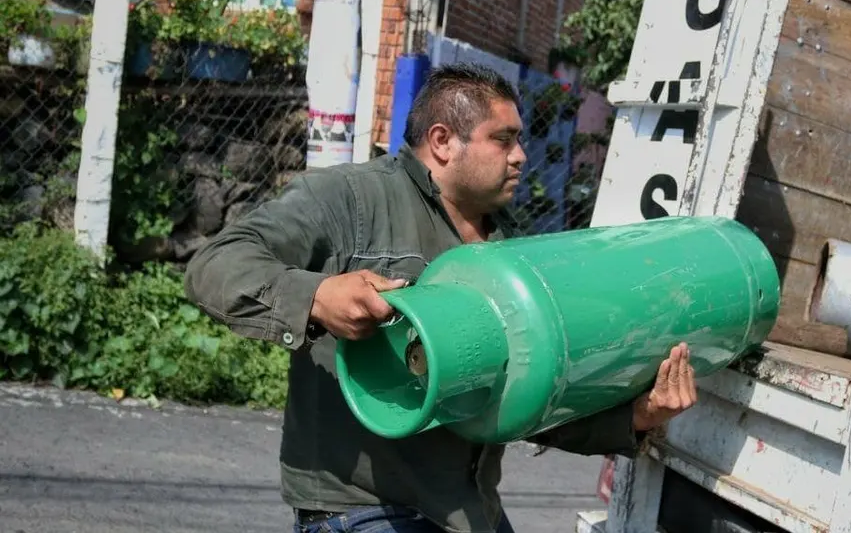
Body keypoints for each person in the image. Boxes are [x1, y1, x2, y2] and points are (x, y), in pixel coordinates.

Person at [183, 63, 699, 533]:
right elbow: (215, 264)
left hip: (469, 511)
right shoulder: (351, 199)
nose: (521, 156)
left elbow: (527, 396)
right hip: (364, 509)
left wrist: (633, 418)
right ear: (443, 141)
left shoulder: (510, 248)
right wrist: (318, 296)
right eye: (504, 140)